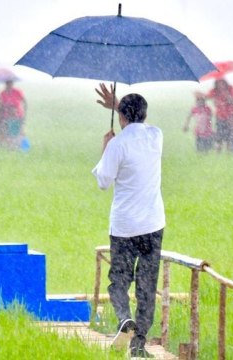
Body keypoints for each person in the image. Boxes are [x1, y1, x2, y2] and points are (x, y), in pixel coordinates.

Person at [92, 83, 165, 358]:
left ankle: (124, 318)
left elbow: (103, 181)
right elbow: (135, 121)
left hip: (124, 227)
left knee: (119, 280)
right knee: (147, 285)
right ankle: (138, 346)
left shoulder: (117, 144)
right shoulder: (156, 136)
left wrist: (105, 148)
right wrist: (119, 105)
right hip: (152, 224)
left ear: (121, 117)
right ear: (144, 115)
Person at [206, 79, 233, 153]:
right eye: (218, 83)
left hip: (230, 116)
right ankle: (218, 152)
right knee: (219, 136)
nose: (220, 85)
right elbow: (207, 97)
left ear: (225, 82)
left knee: (229, 136)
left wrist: (227, 95)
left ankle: (229, 152)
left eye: (222, 83)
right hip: (220, 117)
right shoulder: (214, 91)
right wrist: (214, 100)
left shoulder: (230, 89)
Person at [0, 80, 27, 149]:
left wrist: (24, 113)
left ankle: (21, 146)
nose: (9, 85)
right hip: (7, 116)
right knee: (8, 132)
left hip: (17, 115)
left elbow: (24, 102)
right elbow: (1, 105)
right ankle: (11, 146)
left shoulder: (17, 92)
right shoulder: (2, 93)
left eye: (10, 83)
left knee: (19, 131)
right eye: (7, 83)